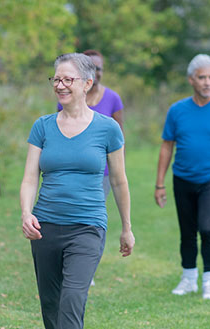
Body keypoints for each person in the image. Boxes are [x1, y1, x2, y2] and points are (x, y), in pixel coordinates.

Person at [20, 53, 135, 329]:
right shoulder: (42, 126)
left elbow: (119, 181)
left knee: (71, 300)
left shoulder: (108, 129)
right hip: (44, 226)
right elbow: (29, 178)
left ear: (87, 83)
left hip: (87, 227)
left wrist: (126, 227)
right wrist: (26, 213)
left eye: (68, 79)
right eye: (56, 79)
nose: (60, 85)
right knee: (50, 305)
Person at [154, 54, 210, 300]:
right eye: (202, 77)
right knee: (187, 231)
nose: (207, 82)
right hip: (182, 178)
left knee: (207, 228)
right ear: (191, 80)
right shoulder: (177, 110)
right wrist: (159, 184)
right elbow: (166, 147)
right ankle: (189, 278)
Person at [56, 49, 125, 287]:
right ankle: (72, 259)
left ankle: (86, 264)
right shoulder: (64, 97)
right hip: (72, 170)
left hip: (102, 171)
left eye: (100, 68)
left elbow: (119, 137)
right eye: (92, 68)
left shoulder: (113, 99)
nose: (97, 72)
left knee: (92, 215)